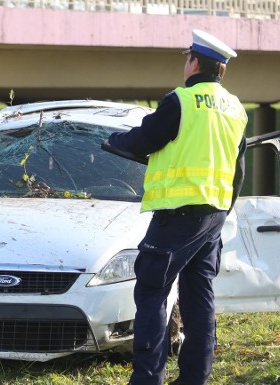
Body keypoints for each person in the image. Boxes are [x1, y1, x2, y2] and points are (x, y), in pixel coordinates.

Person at [104, 29, 248, 385]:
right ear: (221, 70)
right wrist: (221, 212)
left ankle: (147, 379)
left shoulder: (180, 101)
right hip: (213, 215)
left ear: (195, 62)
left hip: (177, 215)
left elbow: (146, 138)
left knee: (152, 292)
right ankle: (194, 378)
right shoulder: (236, 108)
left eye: (187, 59)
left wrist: (111, 141)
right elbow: (238, 169)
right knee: (199, 297)